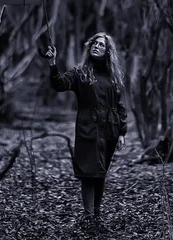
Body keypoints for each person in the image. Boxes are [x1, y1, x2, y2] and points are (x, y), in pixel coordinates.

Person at [42, 32, 127, 230]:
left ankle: (96, 216)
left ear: (108, 51)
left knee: (100, 174)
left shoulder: (113, 76)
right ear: (90, 47)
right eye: (94, 43)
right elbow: (59, 84)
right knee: (89, 173)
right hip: (88, 129)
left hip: (110, 131)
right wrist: (52, 63)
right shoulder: (81, 72)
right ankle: (89, 218)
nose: (96, 46)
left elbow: (119, 105)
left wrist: (122, 131)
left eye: (101, 45)